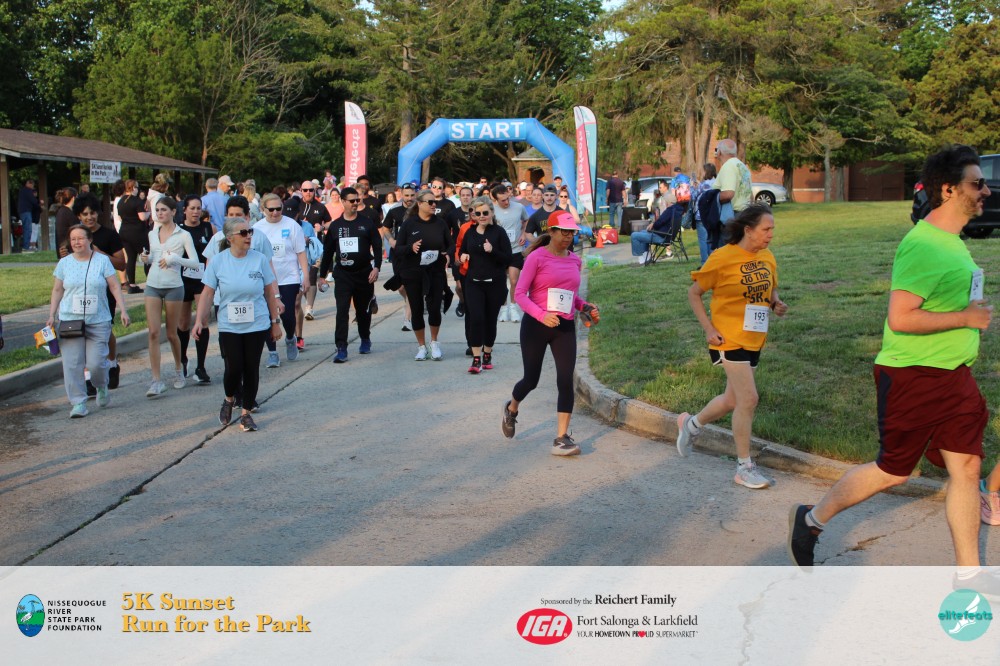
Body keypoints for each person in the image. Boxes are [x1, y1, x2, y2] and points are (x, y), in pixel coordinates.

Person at [788, 146, 1000, 593]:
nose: (986, 190)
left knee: (966, 468)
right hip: (913, 376)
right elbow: (901, 318)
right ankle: (811, 520)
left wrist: (967, 313)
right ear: (949, 189)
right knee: (894, 471)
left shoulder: (952, 241)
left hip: (953, 375)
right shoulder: (923, 245)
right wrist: (965, 317)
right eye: (977, 183)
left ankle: (969, 575)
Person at [676, 203, 787, 488]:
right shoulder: (722, 258)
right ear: (748, 230)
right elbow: (694, 293)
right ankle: (744, 467)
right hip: (728, 337)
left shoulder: (767, 256)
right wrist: (709, 329)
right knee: (748, 399)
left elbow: (770, 287)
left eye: (772, 229)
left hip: (754, 337)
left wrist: (775, 302)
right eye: (766, 229)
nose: (771, 234)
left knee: (731, 400)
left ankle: (691, 424)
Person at [501, 211, 600, 456]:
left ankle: (561, 437)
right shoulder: (536, 257)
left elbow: (572, 296)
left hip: (563, 327)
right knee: (531, 380)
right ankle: (511, 409)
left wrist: (584, 307)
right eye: (563, 232)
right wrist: (541, 314)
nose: (568, 237)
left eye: (571, 233)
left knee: (565, 380)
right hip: (536, 326)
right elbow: (520, 294)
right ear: (552, 231)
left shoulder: (574, 260)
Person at [194, 217, 281, 432]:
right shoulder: (218, 261)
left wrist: (275, 322)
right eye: (243, 233)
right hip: (230, 325)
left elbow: (269, 293)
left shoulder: (259, 259)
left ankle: (246, 414)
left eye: (250, 232)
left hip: (257, 323)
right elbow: (207, 293)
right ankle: (229, 398)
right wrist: (199, 321)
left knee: (251, 368)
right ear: (230, 238)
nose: (248, 236)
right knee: (234, 368)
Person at [48, 224, 130, 418]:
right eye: (73, 239)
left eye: (81, 238)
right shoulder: (64, 263)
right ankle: (78, 402)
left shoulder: (102, 261)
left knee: (96, 364)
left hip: (98, 319)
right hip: (70, 320)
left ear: (90, 240)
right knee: (72, 364)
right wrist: (52, 314)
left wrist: (123, 310)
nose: (77, 242)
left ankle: (101, 385)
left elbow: (114, 286)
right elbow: (57, 290)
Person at [140, 197, 201, 397]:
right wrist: (146, 258)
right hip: (152, 285)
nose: (160, 213)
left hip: (174, 286)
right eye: (157, 210)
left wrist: (175, 259)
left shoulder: (183, 235)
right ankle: (156, 381)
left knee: (172, 333)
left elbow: (195, 262)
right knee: (153, 333)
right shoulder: (152, 233)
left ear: (174, 212)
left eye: (164, 210)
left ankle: (178, 368)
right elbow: (153, 257)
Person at [318, 187, 382, 362]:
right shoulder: (336, 226)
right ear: (343, 202)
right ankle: (341, 347)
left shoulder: (366, 223)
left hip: (364, 273)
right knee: (342, 311)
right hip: (343, 275)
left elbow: (377, 246)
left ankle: (365, 338)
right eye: (352, 200)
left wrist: (376, 268)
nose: (355, 203)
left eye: (357, 200)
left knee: (363, 311)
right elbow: (328, 252)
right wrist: (322, 275)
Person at [73, 193, 127, 392]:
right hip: (81, 292)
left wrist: (99, 253)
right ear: (79, 216)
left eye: (92, 213)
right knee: (84, 332)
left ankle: (112, 364)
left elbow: (121, 264)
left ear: (98, 213)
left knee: (105, 331)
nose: (89, 217)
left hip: (105, 291)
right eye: (85, 214)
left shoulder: (109, 235)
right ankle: (88, 377)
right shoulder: (76, 236)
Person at [253, 193, 309, 368]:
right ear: (263, 209)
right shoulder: (257, 229)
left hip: (289, 277)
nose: (275, 213)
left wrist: (305, 276)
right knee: (268, 315)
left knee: (288, 314)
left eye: (279, 209)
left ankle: (291, 337)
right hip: (266, 280)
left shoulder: (292, 225)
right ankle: (272, 352)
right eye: (271, 209)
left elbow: (300, 252)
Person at [395, 190, 453, 360]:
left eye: (435, 202)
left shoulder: (440, 223)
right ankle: (421, 346)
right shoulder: (409, 224)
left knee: (434, 308)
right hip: (413, 272)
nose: (434, 205)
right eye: (430, 202)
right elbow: (398, 249)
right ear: (420, 204)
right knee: (417, 309)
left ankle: (434, 343)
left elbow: (450, 245)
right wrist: (410, 247)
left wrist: (448, 255)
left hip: (435, 271)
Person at [458, 196, 512, 373]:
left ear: (491, 213)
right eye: (478, 213)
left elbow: (508, 258)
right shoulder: (470, 232)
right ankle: (476, 359)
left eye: (485, 213)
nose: (481, 216)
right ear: (474, 215)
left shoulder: (499, 232)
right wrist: (462, 257)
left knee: (490, 320)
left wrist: (492, 250)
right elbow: (462, 251)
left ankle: (487, 353)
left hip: (495, 284)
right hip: (473, 283)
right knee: (476, 318)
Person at [176, 195, 216, 384]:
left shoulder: (208, 228)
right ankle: (182, 358)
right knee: (183, 322)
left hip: (202, 279)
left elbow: (215, 251)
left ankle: (201, 367)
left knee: (203, 320)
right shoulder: (178, 230)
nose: (195, 211)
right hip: (183, 279)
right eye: (192, 208)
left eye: (198, 208)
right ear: (184, 210)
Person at [491, 184, 530, 323]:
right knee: (501, 282)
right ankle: (503, 308)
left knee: (514, 280)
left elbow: (526, 220)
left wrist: (524, 233)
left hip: (515, 249)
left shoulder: (519, 207)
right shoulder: (491, 210)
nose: (506, 202)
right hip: (499, 252)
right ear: (495, 199)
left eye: (508, 198)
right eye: (503, 200)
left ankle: (513, 307)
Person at [382, 184, 417, 331]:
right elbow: (385, 228)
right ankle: (411, 300)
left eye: (412, 195)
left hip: (415, 254)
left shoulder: (419, 211)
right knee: (401, 286)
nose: (409, 198)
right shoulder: (394, 211)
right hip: (398, 253)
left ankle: (407, 320)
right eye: (406, 195)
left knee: (410, 286)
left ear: (415, 195)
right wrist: (390, 239)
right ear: (401, 195)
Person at [116, 180, 149, 293]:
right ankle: (150, 282)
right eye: (137, 187)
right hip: (137, 232)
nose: (138, 190)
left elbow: (120, 218)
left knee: (130, 258)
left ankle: (132, 284)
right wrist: (149, 213)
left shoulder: (121, 201)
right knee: (146, 256)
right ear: (133, 188)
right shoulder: (137, 201)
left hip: (124, 231)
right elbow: (142, 217)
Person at [715, 139, 752, 223]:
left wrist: (712, 197)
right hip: (745, 213)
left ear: (719, 152)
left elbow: (728, 194)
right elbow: (750, 195)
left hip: (732, 216)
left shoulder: (728, 166)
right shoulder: (742, 166)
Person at [692, 163, 719, 265]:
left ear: (706, 172)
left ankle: (704, 262)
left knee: (703, 240)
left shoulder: (703, 185)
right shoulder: (717, 183)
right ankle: (713, 261)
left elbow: (694, 196)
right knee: (711, 239)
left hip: (701, 215)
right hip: (713, 214)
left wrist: (692, 187)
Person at [17, 179, 40, 252]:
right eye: (33, 185)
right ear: (29, 184)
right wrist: (39, 204)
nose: (33, 187)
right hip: (26, 211)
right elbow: (33, 201)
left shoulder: (22, 191)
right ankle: (26, 247)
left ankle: (25, 246)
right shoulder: (28, 191)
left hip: (21, 212)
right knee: (28, 229)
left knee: (25, 229)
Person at [54, 187, 78, 255]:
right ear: (73, 198)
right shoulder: (69, 213)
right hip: (69, 250)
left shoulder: (61, 211)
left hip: (62, 248)